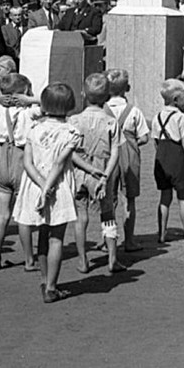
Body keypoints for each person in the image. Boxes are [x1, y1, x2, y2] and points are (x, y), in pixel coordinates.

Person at [12, 82, 106, 303]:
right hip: (58, 186)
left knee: (43, 235)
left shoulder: (34, 128)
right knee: (56, 238)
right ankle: (52, 287)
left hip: (33, 184)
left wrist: (41, 185)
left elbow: (28, 162)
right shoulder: (71, 132)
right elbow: (60, 162)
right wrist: (48, 188)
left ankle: (45, 280)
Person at [68, 72, 124, 276]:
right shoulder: (111, 122)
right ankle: (112, 258)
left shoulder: (74, 120)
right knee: (108, 214)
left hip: (80, 171)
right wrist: (105, 175)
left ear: (83, 93)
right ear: (107, 96)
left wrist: (87, 167)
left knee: (80, 216)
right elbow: (116, 151)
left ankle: (83, 260)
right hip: (102, 172)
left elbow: (70, 151)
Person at [0, 72, 39, 271]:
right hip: (21, 162)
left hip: (2, 164)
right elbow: (52, 104)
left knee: (2, 215)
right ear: (24, 92)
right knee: (24, 216)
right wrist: (30, 100)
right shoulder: (30, 112)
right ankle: (29, 260)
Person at [101, 68, 150, 253]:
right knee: (129, 199)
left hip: (108, 156)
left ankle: (107, 240)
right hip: (129, 156)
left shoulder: (102, 110)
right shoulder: (134, 111)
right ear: (127, 88)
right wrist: (133, 143)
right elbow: (145, 137)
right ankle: (129, 240)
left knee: (108, 199)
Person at [152, 77, 184, 244]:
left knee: (165, 197)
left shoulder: (157, 117)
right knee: (183, 197)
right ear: (176, 100)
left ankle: (161, 233)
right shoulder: (181, 118)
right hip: (178, 157)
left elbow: (155, 141)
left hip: (162, 158)